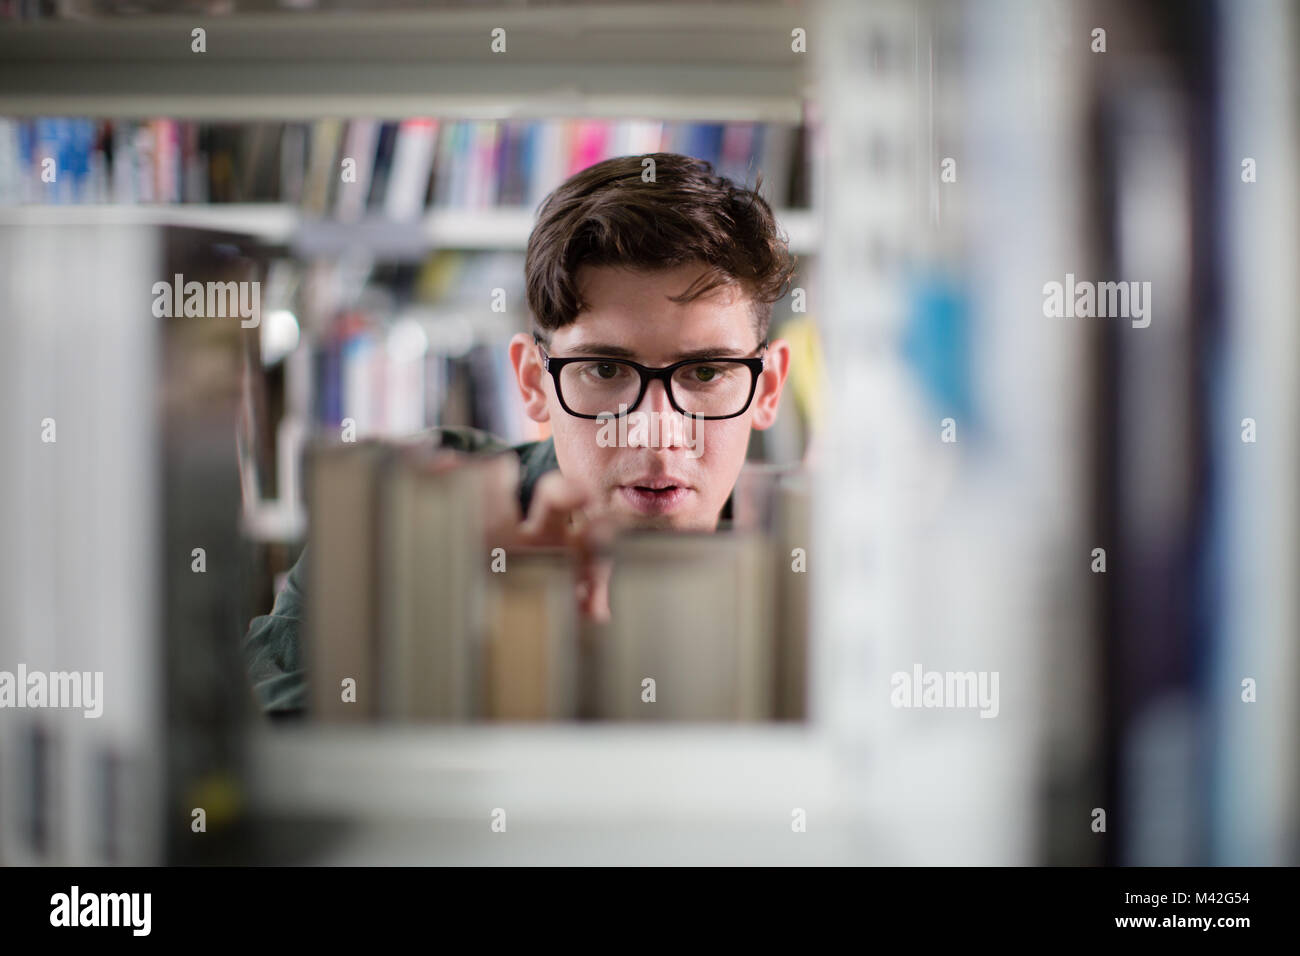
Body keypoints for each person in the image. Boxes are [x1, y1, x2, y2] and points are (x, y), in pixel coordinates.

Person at [243, 151, 796, 715]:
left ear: (768, 389)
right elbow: (250, 721)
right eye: (605, 370)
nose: (657, 434)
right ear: (533, 381)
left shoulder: (821, 558)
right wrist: (489, 649)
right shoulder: (415, 507)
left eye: (705, 373)